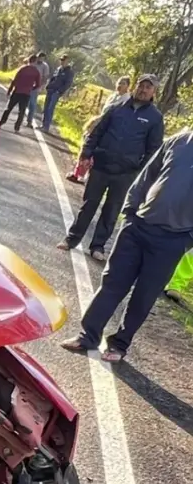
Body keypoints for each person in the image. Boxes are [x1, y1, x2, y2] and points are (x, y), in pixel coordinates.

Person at [61, 128, 193, 361]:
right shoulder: (179, 140)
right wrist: (131, 211)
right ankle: (88, 336)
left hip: (174, 238)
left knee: (144, 295)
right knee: (112, 282)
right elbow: (147, 175)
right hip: (137, 226)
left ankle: (119, 345)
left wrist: (188, 239)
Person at [57, 74, 164, 261]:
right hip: (101, 166)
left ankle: (97, 246)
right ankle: (71, 239)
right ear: (136, 87)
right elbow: (96, 133)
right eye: (141, 85)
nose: (144, 89)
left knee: (111, 211)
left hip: (125, 174)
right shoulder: (116, 109)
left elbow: (153, 150)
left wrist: (139, 170)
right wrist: (86, 154)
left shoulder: (155, 118)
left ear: (154, 92)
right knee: (88, 205)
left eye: (149, 87)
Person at [64, 75, 132, 183]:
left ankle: (85, 176)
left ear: (128, 86)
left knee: (95, 152)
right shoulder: (113, 96)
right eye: (119, 82)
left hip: (109, 129)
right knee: (86, 146)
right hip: (99, 124)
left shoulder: (127, 100)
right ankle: (77, 173)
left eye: (123, 83)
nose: (119, 85)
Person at [0, 55, 42, 132]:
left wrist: (9, 90)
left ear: (29, 60)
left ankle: (1, 122)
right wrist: (31, 88)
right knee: (21, 111)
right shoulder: (36, 72)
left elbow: (14, 80)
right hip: (26, 94)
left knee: (8, 108)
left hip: (17, 91)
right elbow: (38, 84)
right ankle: (17, 128)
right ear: (35, 62)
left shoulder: (22, 69)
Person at [41, 55, 74, 132]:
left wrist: (59, 91)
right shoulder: (58, 69)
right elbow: (53, 78)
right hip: (50, 90)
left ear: (67, 61)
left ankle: (46, 127)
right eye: (61, 60)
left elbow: (68, 84)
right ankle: (43, 124)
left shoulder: (69, 72)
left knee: (50, 109)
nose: (62, 62)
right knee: (46, 107)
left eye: (63, 60)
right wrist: (48, 86)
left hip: (56, 92)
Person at [27, 51, 50, 128]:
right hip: (28, 85)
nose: (40, 59)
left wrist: (41, 86)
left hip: (36, 87)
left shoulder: (45, 66)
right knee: (25, 102)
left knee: (32, 104)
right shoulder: (34, 63)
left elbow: (45, 77)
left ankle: (29, 121)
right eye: (39, 57)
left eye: (42, 58)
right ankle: (20, 119)